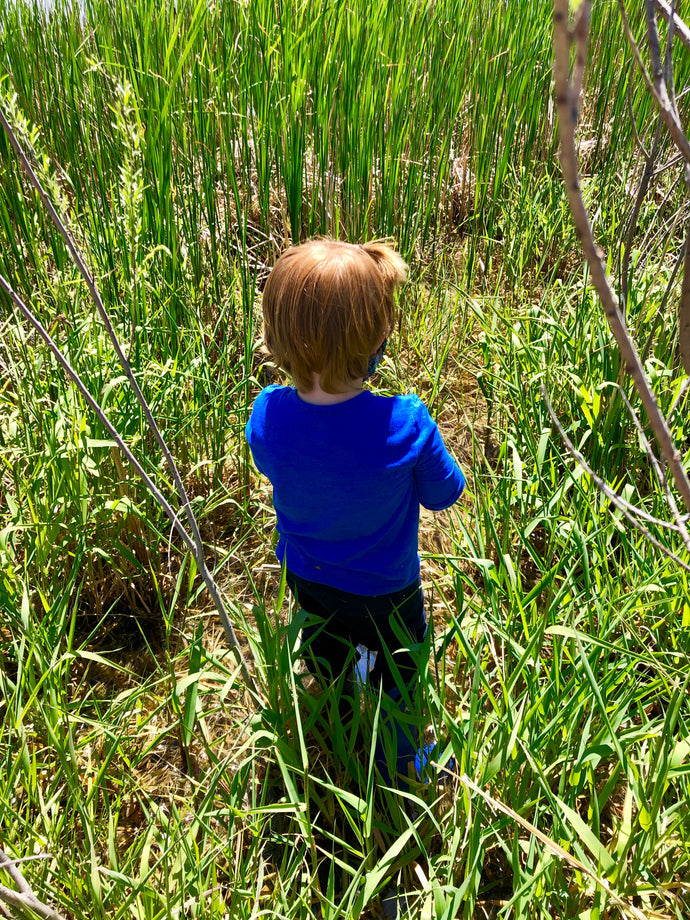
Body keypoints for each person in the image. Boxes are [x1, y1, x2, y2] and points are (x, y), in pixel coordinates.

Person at [245, 238, 465, 786]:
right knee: (401, 677)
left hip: (308, 575)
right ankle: (404, 763)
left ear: (276, 339)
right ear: (375, 341)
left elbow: (273, 462)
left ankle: (336, 712)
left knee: (329, 650)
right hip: (387, 592)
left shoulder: (268, 413)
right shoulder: (407, 423)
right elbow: (446, 493)